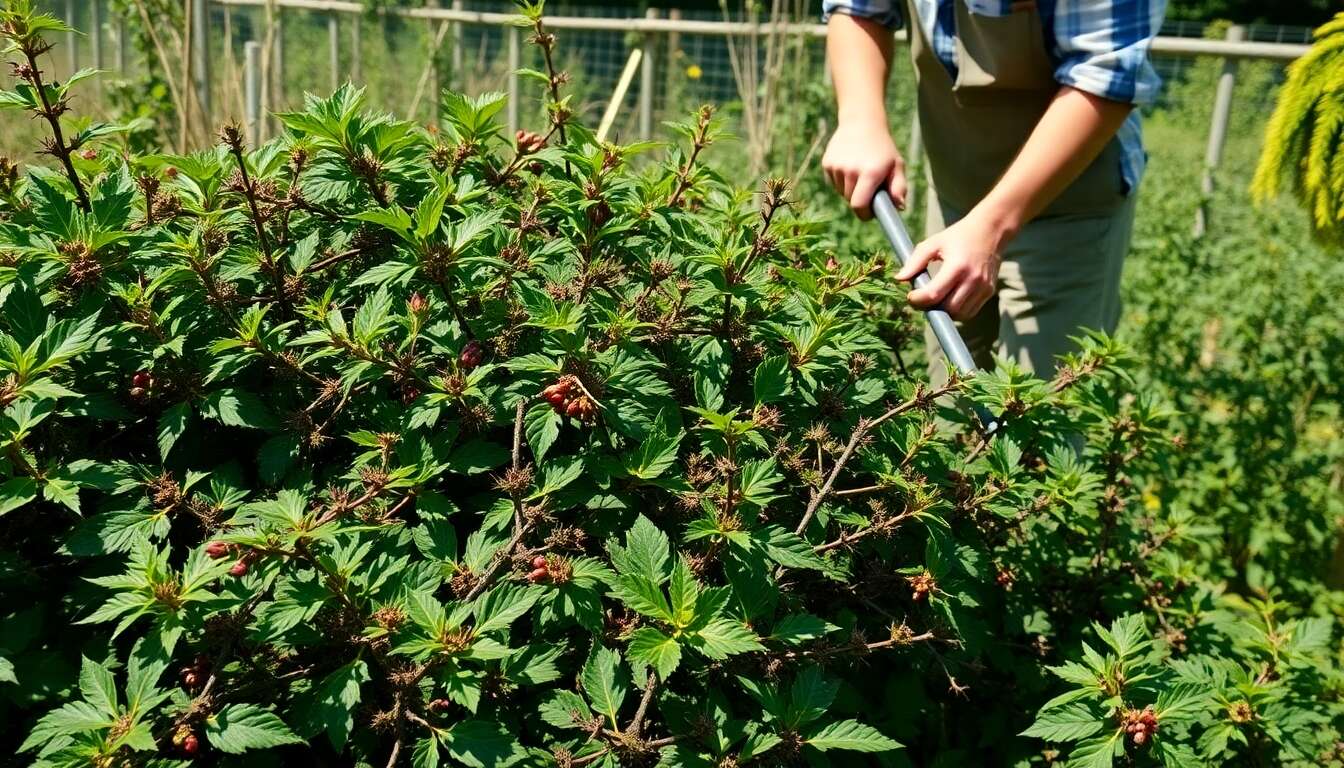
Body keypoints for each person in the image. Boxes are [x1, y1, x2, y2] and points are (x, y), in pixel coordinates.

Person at [821, 0, 1167, 382]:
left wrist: (993, 225)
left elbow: (1106, 73)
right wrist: (859, 119)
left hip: (1068, 211)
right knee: (949, 401)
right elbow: (861, 8)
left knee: (1037, 417)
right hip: (956, 194)